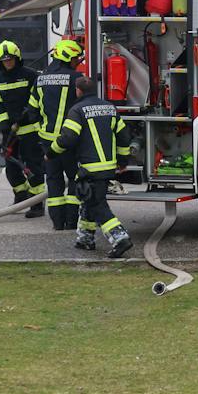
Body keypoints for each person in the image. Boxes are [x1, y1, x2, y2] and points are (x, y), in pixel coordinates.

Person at [51, 75, 132, 258]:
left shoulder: (77, 110)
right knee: (89, 200)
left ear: (78, 91)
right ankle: (85, 239)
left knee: (97, 204)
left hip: (90, 168)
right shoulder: (110, 108)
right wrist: (123, 160)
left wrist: (51, 152)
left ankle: (120, 238)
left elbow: (68, 138)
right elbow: (124, 136)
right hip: (107, 167)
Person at [29, 38, 85, 231]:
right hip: (69, 140)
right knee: (74, 179)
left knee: (53, 181)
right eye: (76, 58)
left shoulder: (40, 79)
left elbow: (31, 111)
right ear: (68, 57)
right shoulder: (76, 78)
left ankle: (57, 223)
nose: (77, 62)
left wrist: (40, 131)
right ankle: (71, 222)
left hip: (47, 141)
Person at [0, 40, 46, 218]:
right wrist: (4, 124)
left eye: (11, 60)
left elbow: (38, 97)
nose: (8, 63)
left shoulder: (30, 75)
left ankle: (36, 204)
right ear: (0, 61)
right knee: (12, 167)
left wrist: (29, 113)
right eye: (5, 61)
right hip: (11, 132)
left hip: (30, 130)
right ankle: (21, 196)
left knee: (34, 166)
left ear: (17, 58)